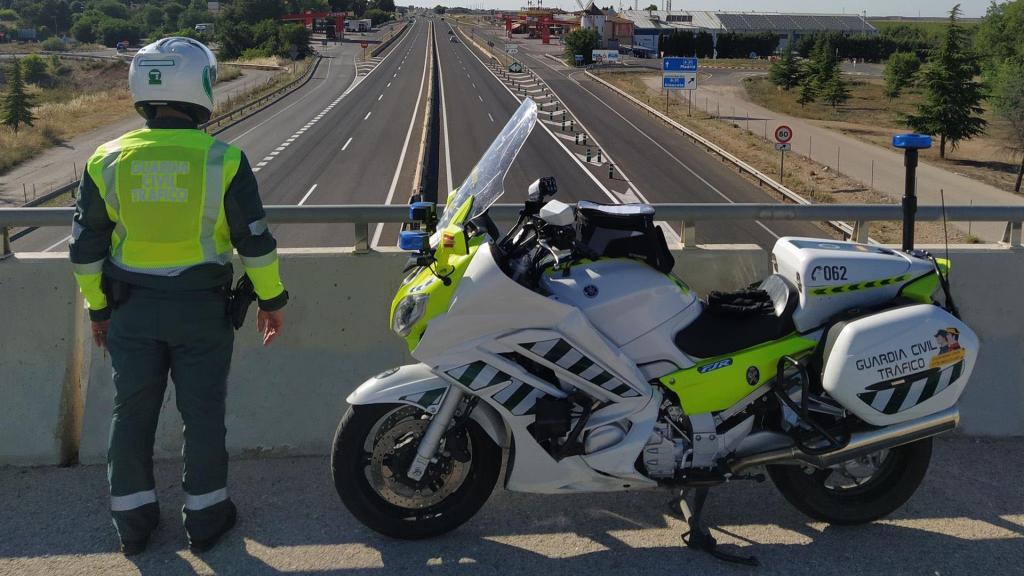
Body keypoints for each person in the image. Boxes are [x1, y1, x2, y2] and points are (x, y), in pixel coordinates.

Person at [68, 37, 288, 556]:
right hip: (203, 312)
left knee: (132, 412)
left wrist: (98, 308)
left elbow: (83, 251)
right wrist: (273, 300)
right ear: (203, 87)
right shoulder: (224, 159)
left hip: (130, 311)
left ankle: (134, 523)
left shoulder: (107, 158)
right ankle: (206, 518)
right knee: (203, 413)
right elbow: (254, 244)